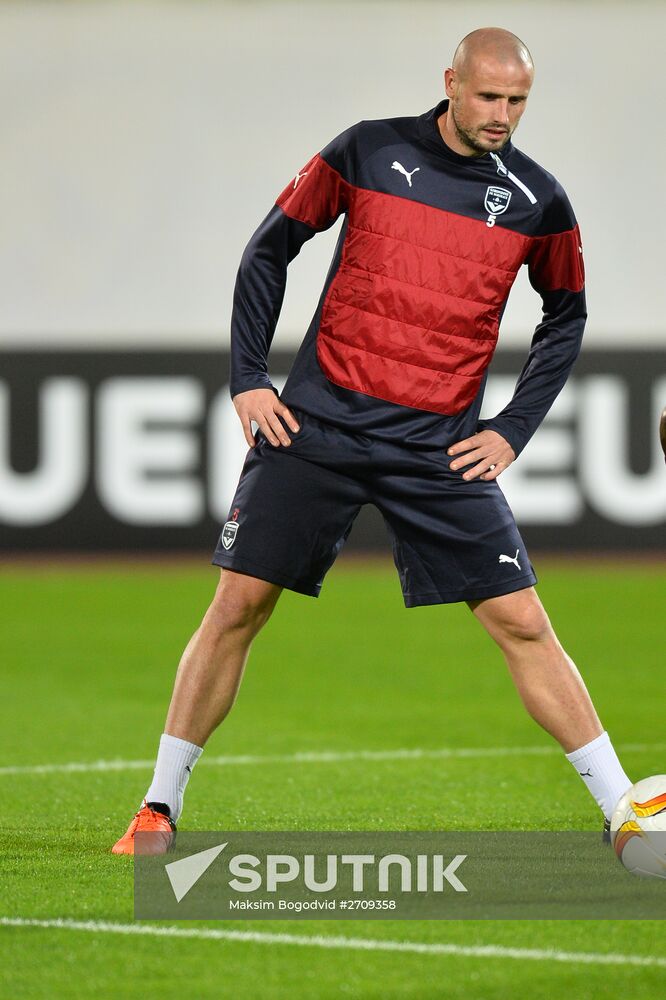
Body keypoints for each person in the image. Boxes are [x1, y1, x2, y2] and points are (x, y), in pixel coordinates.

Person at [112, 26, 631, 854]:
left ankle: (621, 810)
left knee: (524, 623)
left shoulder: (539, 199)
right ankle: (159, 805)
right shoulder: (367, 149)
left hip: (438, 448)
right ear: (452, 82)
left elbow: (565, 316)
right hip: (319, 426)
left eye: (519, 101)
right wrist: (249, 376)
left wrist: (512, 430)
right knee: (237, 607)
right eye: (490, 96)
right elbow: (268, 251)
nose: (503, 115)